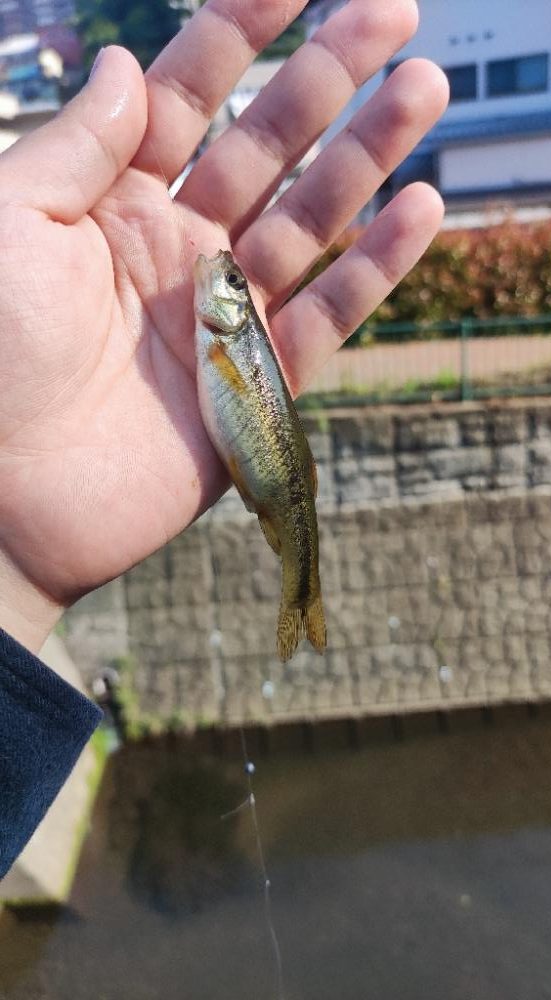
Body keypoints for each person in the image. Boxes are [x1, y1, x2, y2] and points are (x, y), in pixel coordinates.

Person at [0, 0, 448, 878]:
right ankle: (301, 591)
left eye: (230, 291)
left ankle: (301, 590)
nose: (221, 284)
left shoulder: (223, 331)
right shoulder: (217, 328)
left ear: (228, 314)